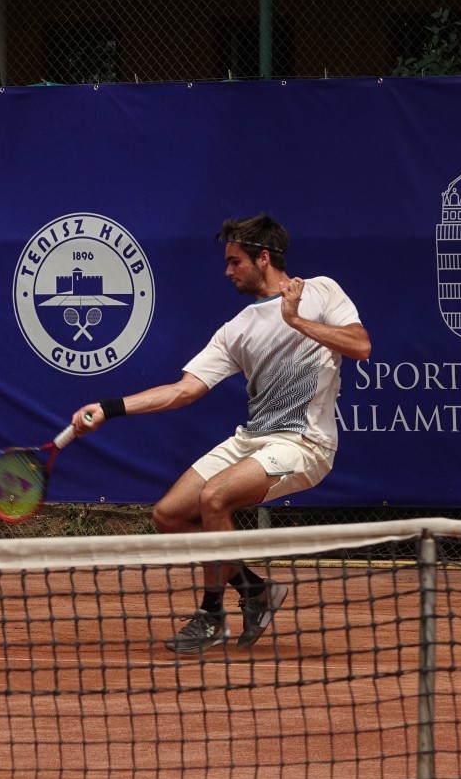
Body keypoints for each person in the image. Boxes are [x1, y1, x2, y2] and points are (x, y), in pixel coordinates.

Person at [72, 214, 371, 654]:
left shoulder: (322, 291)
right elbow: (183, 390)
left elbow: (360, 346)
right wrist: (109, 408)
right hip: (252, 439)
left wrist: (295, 320)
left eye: (235, 261)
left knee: (214, 497)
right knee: (169, 515)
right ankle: (254, 589)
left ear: (263, 258)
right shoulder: (237, 328)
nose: (228, 271)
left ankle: (211, 615)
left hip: (304, 443)